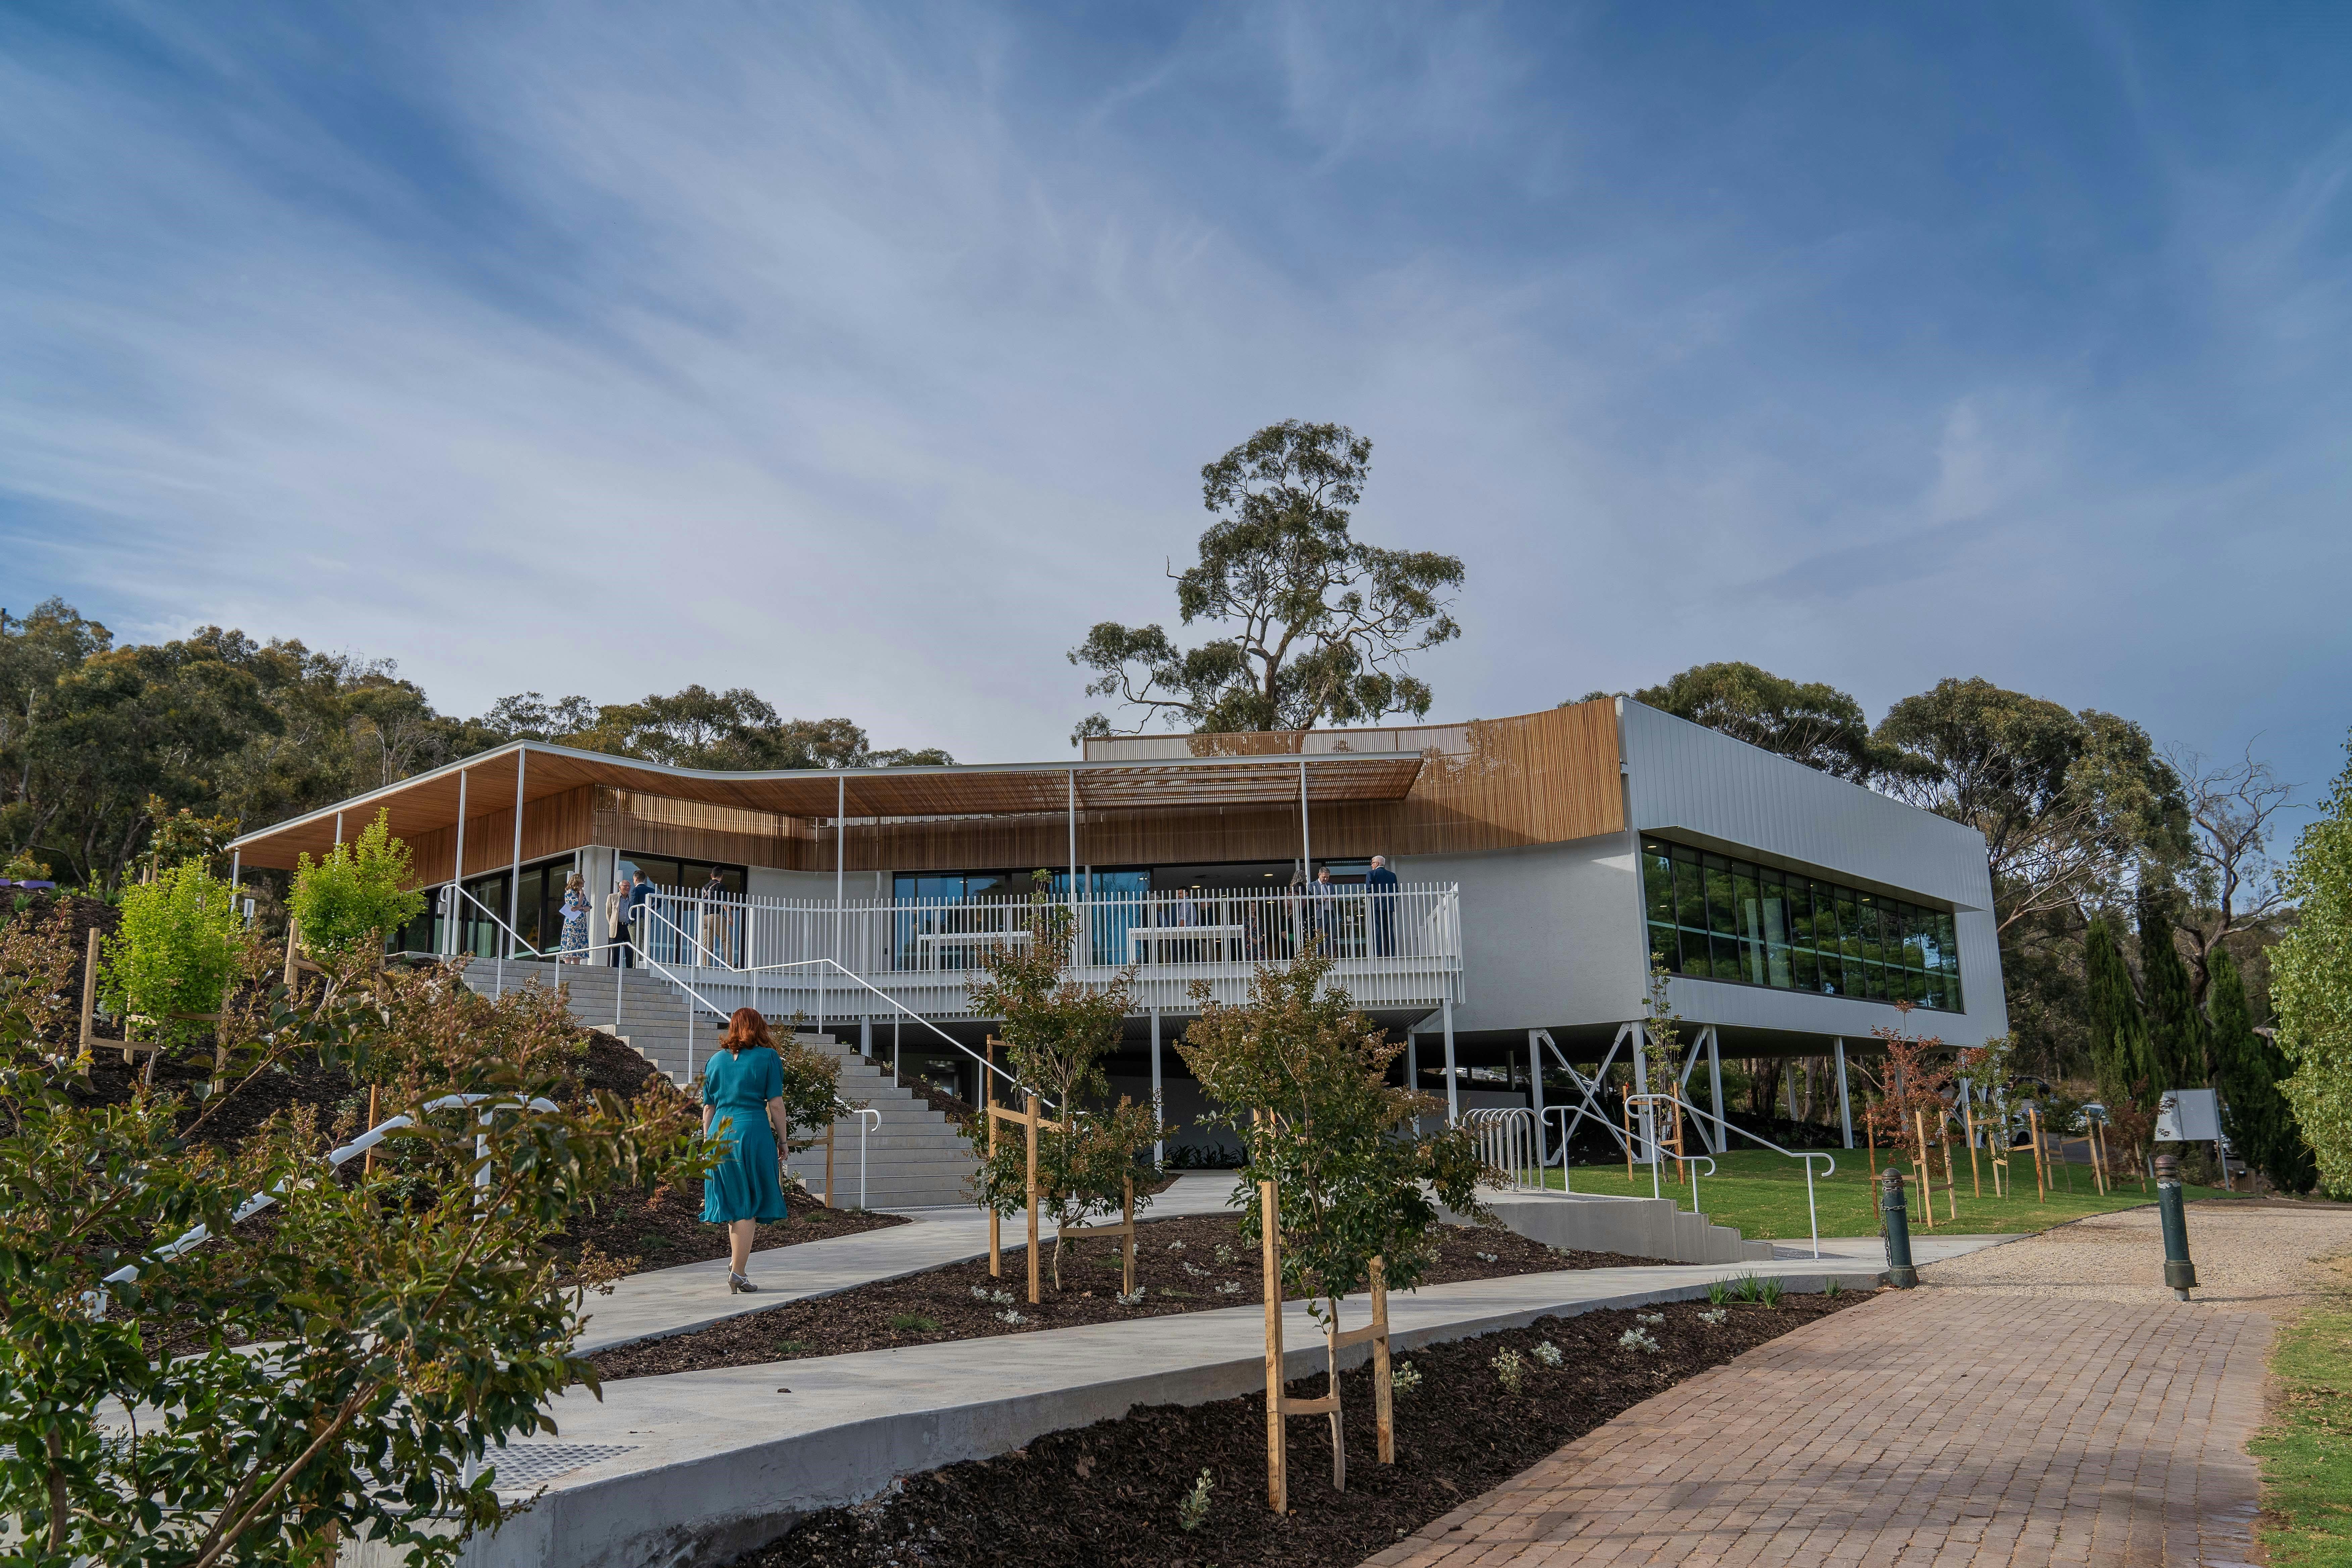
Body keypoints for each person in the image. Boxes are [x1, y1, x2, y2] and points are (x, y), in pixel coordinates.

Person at [701, 1008, 793, 1293]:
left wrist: (707, 1143)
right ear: (759, 1027)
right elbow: (776, 1104)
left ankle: (736, 1266)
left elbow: (708, 1107)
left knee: (734, 1203)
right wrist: (783, 1140)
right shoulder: (768, 1057)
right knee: (747, 1204)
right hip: (752, 1131)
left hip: (720, 1132)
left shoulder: (715, 1061)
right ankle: (738, 1272)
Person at [1368, 854, 1399, 957]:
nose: (1372, 866)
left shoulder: (1372, 874)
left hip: (1376, 906)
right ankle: (1391, 953)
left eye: (1372, 863)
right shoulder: (1392, 875)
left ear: (1376, 863)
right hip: (1389, 906)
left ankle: (1379, 954)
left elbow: (1369, 891)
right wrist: (1391, 902)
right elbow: (1396, 892)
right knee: (1389, 930)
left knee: (1378, 929)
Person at [557, 873, 591, 963]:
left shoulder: (582, 895)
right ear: (578, 881)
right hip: (573, 923)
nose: (584, 882)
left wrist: (582, 908)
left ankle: (577, 966)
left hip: (581, 924)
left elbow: (588, 907)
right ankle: (568, 965)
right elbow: (577, 904)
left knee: (579, 944)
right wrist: (581, 894)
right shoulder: (570, 892)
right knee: (571, 942)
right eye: (582, 880)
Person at [606, 876, 632, 967]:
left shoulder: (632, 898)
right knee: (616, 950)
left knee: (630, 950)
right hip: (618, 927)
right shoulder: (612, 897)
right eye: (626, 886)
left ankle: (630, 969)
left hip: (629, 926)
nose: (628, 888)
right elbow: (609, 913)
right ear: (620, 887)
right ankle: (615, 969)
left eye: (629, 886)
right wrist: (613, 924)